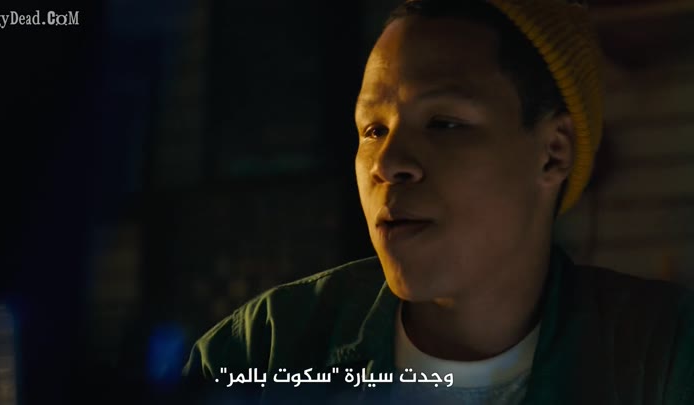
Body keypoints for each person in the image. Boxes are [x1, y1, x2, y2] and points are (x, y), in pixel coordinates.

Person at [182, 0, 694, 404]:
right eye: (373, 130)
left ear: (552, 153)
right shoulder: (264, 352)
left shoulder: (665, 357)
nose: (388, 163)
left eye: (444, 123)